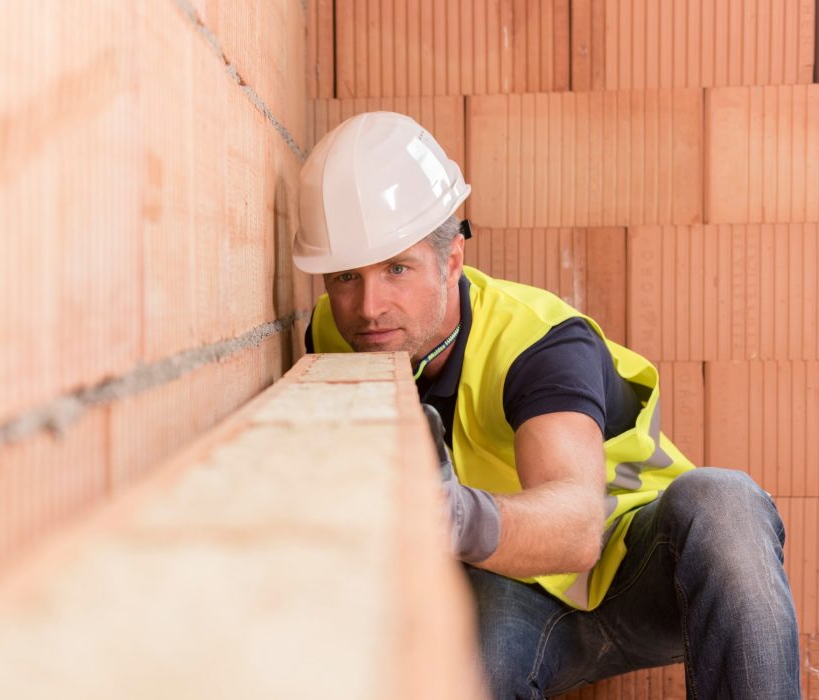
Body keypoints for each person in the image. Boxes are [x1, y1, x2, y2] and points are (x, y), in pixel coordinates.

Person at [294, 111, 800, 698]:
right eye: (346, 276)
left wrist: (448, 516)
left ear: (452, 260)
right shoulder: (336, 333)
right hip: (509, 586)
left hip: (633, 568)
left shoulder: (539, 342)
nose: (369, 307)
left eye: (397, 269)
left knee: (724, 499)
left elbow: (577, 529)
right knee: (454, 675)